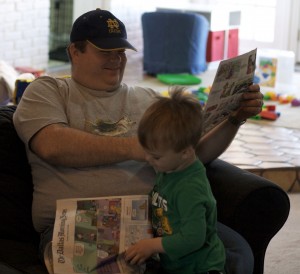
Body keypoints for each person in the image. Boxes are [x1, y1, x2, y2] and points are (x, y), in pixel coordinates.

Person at [13, 9, 263, 274]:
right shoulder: (48, 91)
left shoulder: (149, 99)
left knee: (235, 254)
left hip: (162, 219)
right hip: (80, 221)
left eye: (120, 52)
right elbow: (52, 145)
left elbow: (192, 155)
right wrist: (136, 147)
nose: (116, 60)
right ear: (75, 51)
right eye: (105, 51)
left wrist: (234, 119)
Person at [124, 87, 226, 274]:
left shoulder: (190, 187)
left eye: (155, 156)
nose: (148, 159)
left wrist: (152, 246)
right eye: (146, 152)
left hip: (200, 267)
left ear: (185, 153)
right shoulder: (169, 167)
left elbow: (193, 238)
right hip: (175, 262)